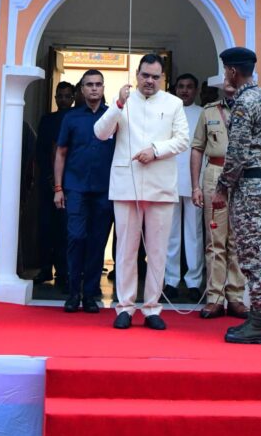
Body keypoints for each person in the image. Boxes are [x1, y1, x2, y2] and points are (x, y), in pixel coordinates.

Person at [94, 53, 189, 330]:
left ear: (162, 78)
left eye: (155, 77)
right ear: (137, 74)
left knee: (158, 251)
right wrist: (117, 105)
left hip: (161, 185)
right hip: (127, 184)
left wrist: (155, 150)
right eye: (145, 75)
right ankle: (124, 306)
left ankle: (151, 308)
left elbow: (183, 139)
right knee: (126, 249)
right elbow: (100, 133)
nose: (149, 81)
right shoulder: (123, 100)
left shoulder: (173, 103)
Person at [212, 47, 261, 345]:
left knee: (252, 257)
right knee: (259, 252)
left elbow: (237, 152)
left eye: (225, 70)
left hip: (250, 187)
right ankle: (258, 318)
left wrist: (222, 187)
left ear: (231, 71)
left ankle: (260, 322)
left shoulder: (243, 103)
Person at [53, 70, 115, 314]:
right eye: (89, 84)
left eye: (98, 84)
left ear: (103, 88)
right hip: (75, 187)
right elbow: (61, 153)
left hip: (105, 190)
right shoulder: (71, 117)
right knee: (76, 237)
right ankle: (73, 293)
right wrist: (58, 188)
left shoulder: (113, 116)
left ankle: (89, 294)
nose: (94, 88)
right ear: (82, 89)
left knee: (97, 242)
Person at [191, 82, 248, 319]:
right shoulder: (209, 111)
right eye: (228, 75)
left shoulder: (251, 107)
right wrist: (195, 186)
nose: (231, 82)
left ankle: (235, 297)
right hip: (215, 172)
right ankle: (214, 297)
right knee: (215, 239)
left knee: (238, 239)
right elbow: (197, 148)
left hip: (244, 176)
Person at [163, 73, 205, 301]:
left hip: (195, 182)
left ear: (196, 90)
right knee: (170, 235)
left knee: (194, 234)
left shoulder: (203, 113)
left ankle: (194, 282)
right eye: (181, 86)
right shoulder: (167, 112)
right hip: (169, 180)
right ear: (175, 89)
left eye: (189, 86)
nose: (185, 90)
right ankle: (170, 280)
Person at [34, 82, 74, 288]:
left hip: (70, 183)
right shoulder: (47, 120)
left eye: (67, 96)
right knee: (45, 226)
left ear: (73, 98)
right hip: (47, 183)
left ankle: (63, 272)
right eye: (60, 96)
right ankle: (45, 268)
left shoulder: (75, 118)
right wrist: (50, 177)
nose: (63, 100)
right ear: (56, 98)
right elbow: (40, 150)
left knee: (64, 229)